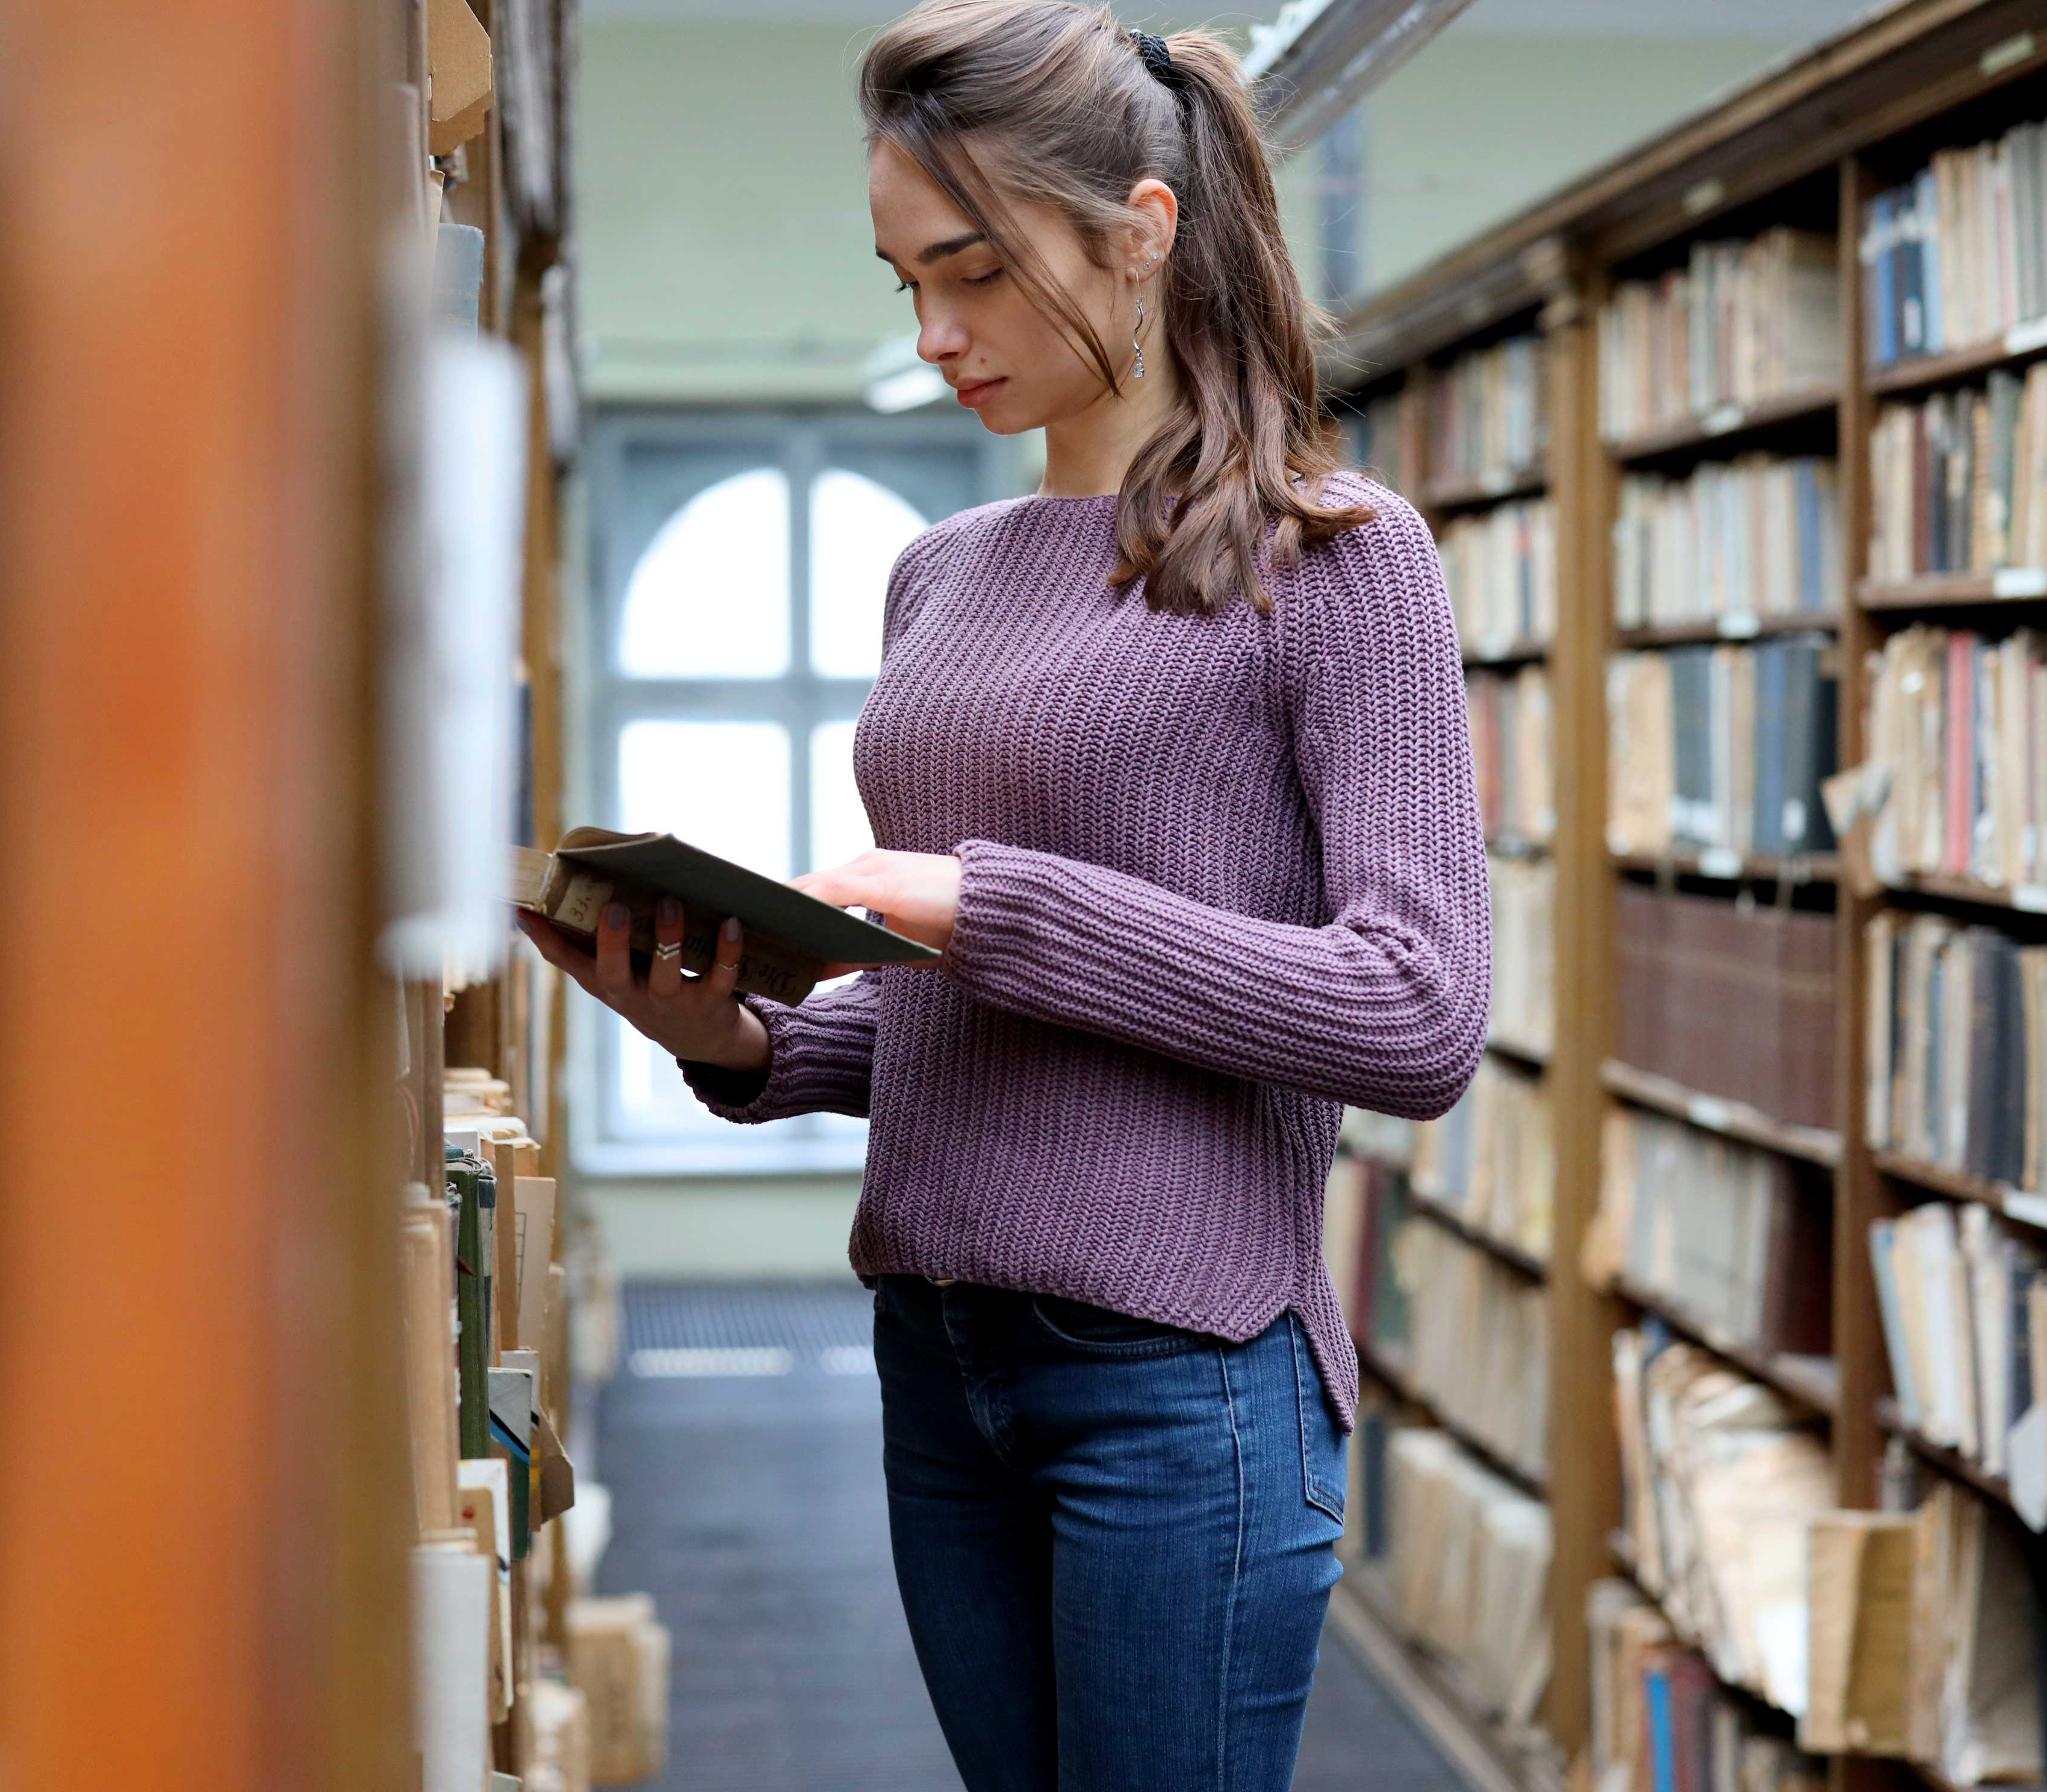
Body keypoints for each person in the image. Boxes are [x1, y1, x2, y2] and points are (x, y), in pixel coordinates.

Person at [515, 2, 1489, 1784]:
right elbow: (950, 1014)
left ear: (1142, 230)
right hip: (936, 1345)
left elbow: (1415, 1011)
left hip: (1182, 1376)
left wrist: (991, 905)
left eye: (972, 271)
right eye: (906, 283)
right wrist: (739, 1039)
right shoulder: (940, 576)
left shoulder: (1339, 561)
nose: (935, 333)